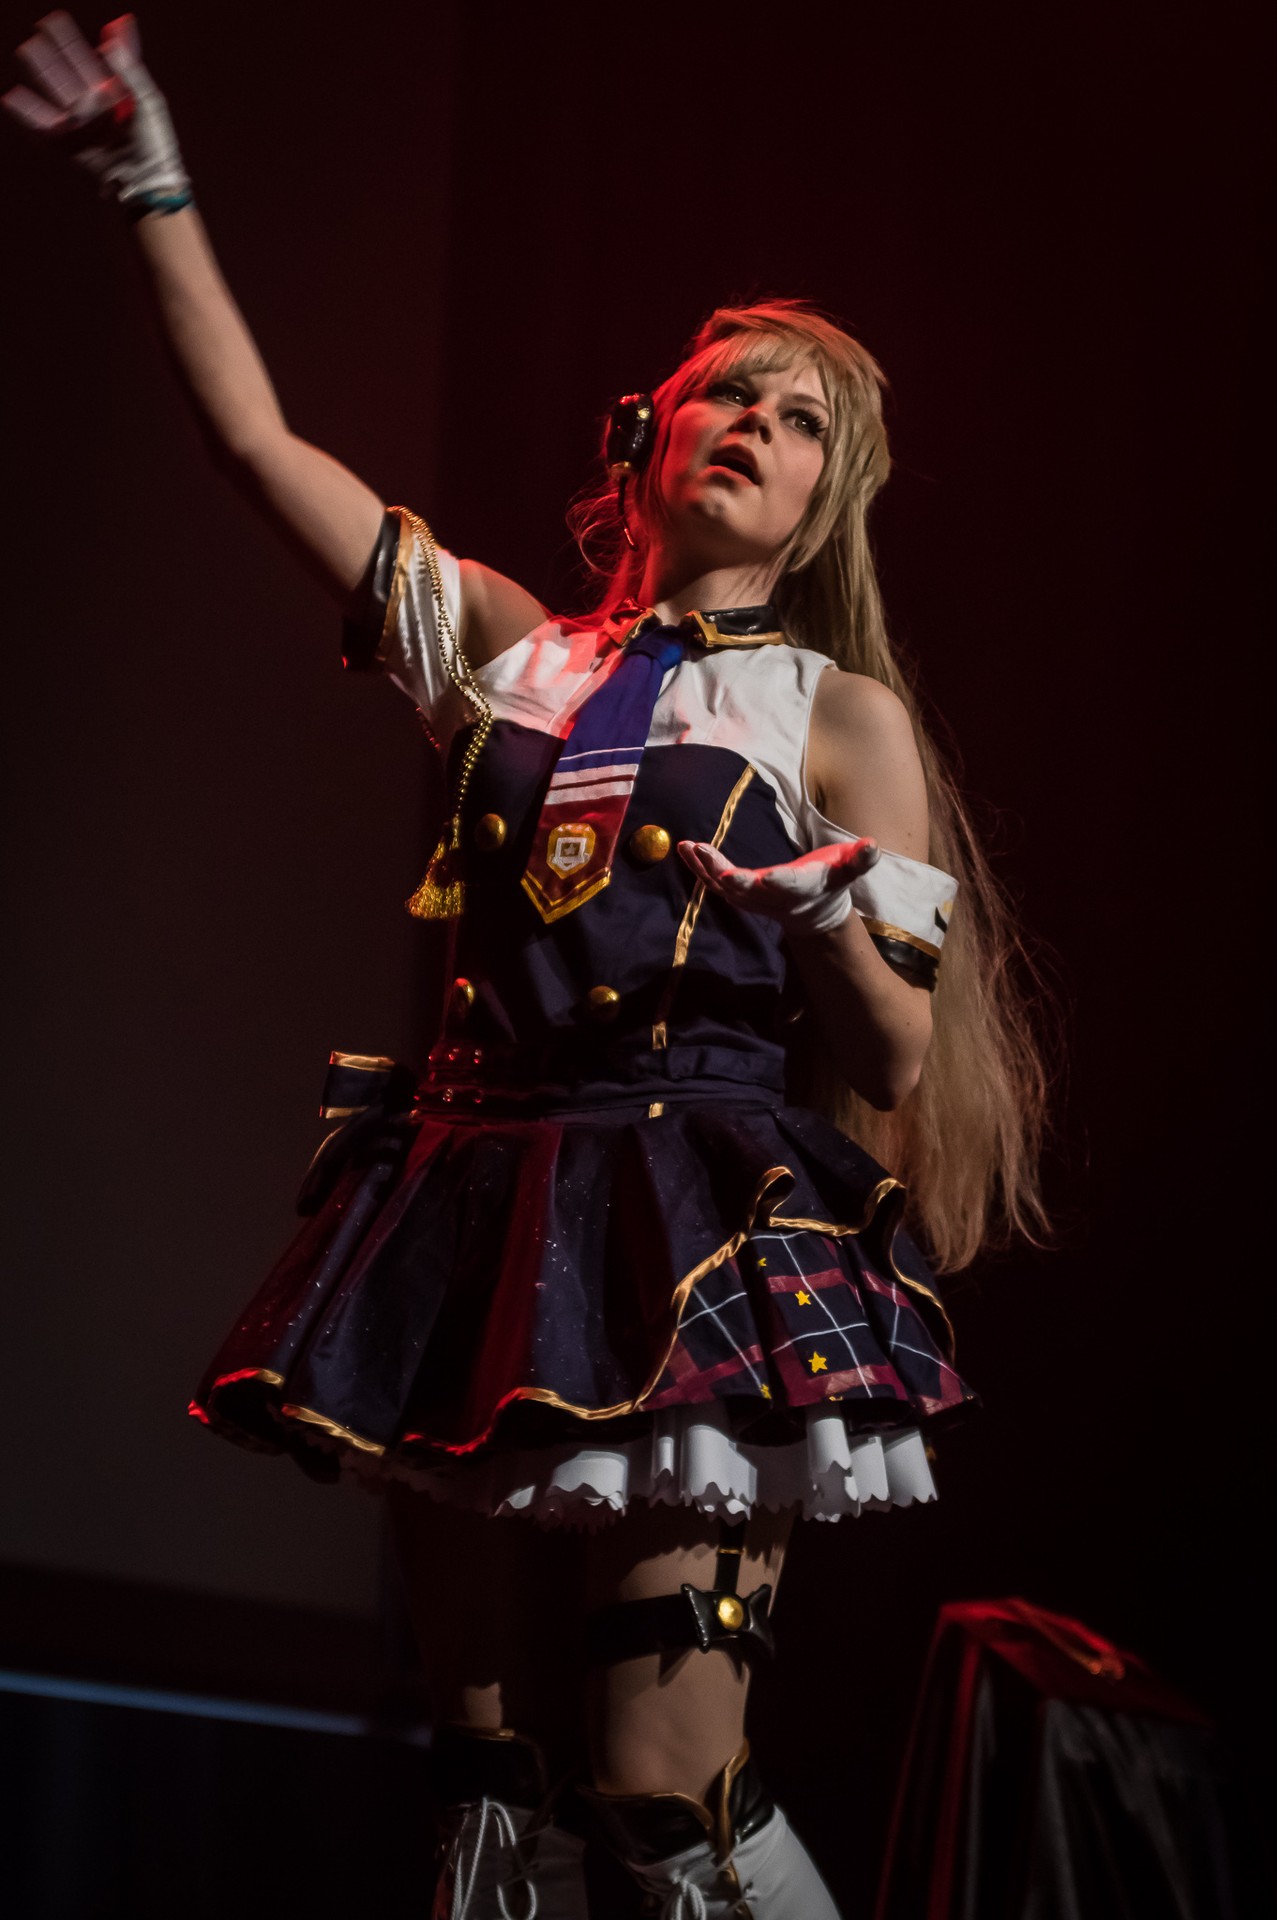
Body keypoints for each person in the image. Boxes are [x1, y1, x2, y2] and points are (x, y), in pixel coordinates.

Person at [6, 15, 1050, 1917]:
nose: (754, 426)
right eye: (727, 393)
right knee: (491, 1795)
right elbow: (256, 442)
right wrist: (151, 182)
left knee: (663, 1793)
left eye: (799, 422)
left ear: (821, 502)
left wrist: (823, 908)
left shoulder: (836, 715)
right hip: (476, 1213)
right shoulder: (506, 650)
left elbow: (898, 1060)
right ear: (643, 435)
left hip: (691, 1222)